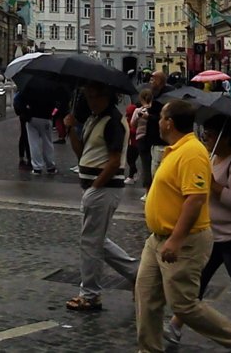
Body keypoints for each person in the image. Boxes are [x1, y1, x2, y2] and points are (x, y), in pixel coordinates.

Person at [134, 100, 231, 352]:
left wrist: (176, 240)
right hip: (157, 238)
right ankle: (148, 349)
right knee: (146, 296)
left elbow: (195, 199)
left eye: (161, 117)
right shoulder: (176, 149)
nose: (158, 121)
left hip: (182, 239)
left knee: (183, 304)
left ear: (169, 122)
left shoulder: (191, 152)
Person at [165, 116, 231, 349]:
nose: (205, 138)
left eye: (210, 134)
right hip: (210, 234)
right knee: (197, 281)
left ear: (226, 137)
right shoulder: (207, 159)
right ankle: (175, 326)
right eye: (204, 134)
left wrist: (214, 186)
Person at [62, 81, 138, 312]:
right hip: (95, 189)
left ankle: (91, 294)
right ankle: (140, 274)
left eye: (95, 96)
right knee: (97, 241)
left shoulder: (113, 121)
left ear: (107, 97)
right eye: (88, 96)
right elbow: (82, 153)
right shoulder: (94, 119)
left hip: (104, 190)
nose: (91, 100)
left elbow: (115, 160)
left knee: (90, 243)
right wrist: (71, 129)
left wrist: (96, 186)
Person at [142, 71, 169, 189]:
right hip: (152, 138)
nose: (150, 82)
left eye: (153, 80)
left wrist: (149, 116)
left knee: (157, 170)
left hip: (160, 140)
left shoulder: (165, 97)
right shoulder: (155, 95)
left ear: (159, 81)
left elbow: (164, 118)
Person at [131, 88, 154, 188]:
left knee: (145, 164)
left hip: (141, 138)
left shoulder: (138, 110)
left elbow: (132, 124)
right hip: (152, 139)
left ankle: (147, 188)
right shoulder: (153, 110)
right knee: (153, 162)